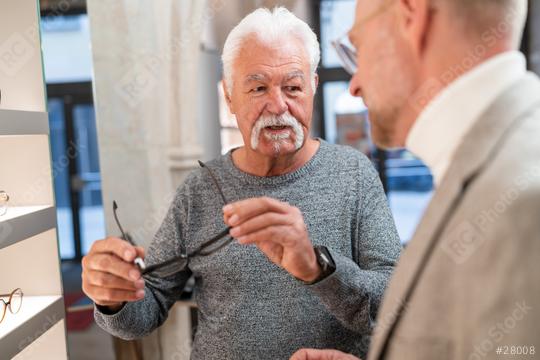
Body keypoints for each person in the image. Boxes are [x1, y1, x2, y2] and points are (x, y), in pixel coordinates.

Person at [81, 7, 402, 359]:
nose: (278, 105)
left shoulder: (354, 174)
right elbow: (147, 309)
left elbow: (395, 309)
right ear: (230, 96)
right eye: (258, 88)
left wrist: (318, 266)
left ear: (313, 88)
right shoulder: (201, 189)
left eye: (293, 87)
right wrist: (114, 299)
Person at [290, 0, 540, 359]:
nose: (354, 85)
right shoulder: (488, 165)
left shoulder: (524, 204)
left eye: (357, 48)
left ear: (412, 17)